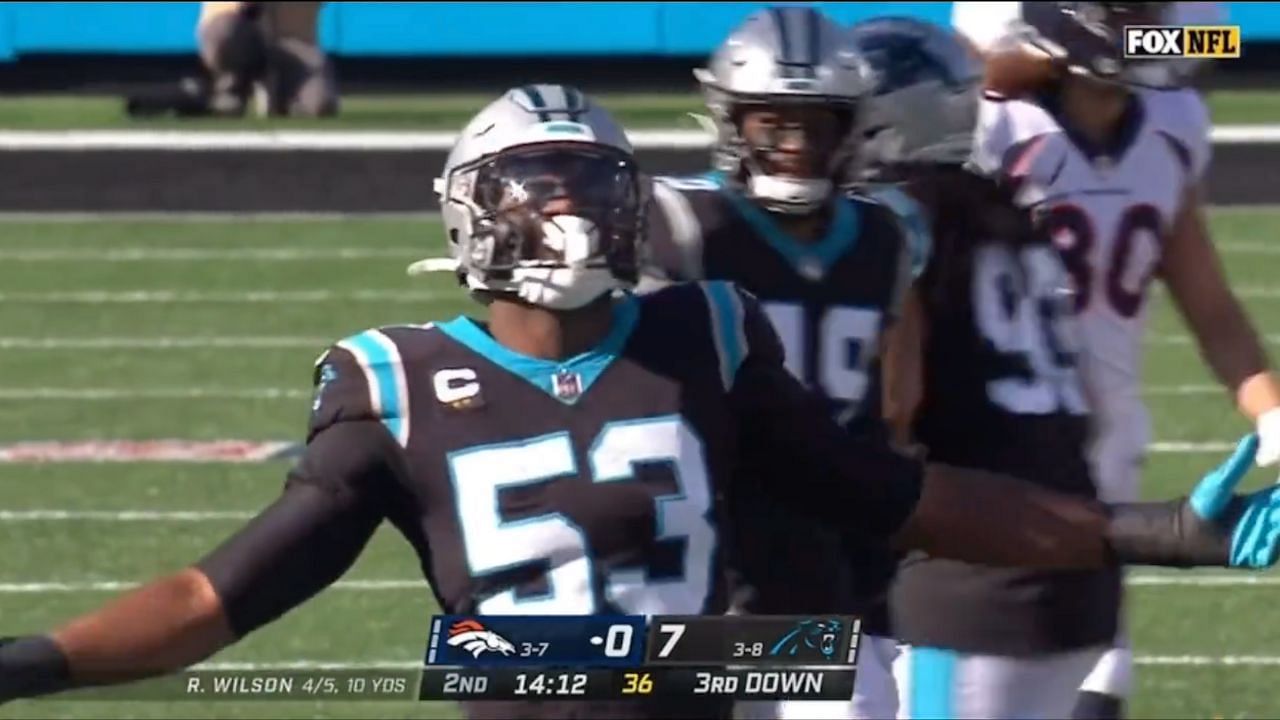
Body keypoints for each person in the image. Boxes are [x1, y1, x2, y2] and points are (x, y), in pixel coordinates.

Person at [4, 85, 1280, 720]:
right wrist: (22, 664)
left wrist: (1165, 530)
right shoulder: (391, 382)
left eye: (586, 182)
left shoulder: (703, 334)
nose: (567, 208)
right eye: (535, 183)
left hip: (707, 680)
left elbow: (902, 499)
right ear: (469, 214)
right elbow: (210, 602)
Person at [963, 4, 1280, 717]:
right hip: (988, 468)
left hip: (1105, 467)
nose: (1157, 25)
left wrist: (1272, 412)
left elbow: (1212, 306)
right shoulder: (992, 125)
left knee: (1093, 689)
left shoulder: (1170, 126)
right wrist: (1027, 58)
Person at [639, 7, 916, 719]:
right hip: (706, 552)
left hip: (828, 558)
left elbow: (893, 405)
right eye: (772, 121)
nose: (794, 142)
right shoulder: (680, 224)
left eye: (815, 123)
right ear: (732, 121)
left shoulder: (882, 237)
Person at [845, 16, 1118, 719]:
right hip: (1071, 560)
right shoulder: (1008, 212)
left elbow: (895, 401)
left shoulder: (895, 220)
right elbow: (1090, 401)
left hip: (973, 584)